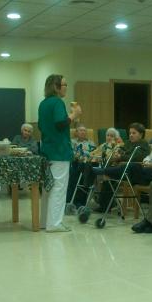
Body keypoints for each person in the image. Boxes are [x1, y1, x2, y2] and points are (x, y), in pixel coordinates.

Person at [38, 74, 81, 232]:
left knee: (48, 187)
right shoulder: (57, 102)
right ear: (56, 87)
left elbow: (42, 126)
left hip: (47, 150)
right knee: (58, 188)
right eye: (64, 85)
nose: (66, 88)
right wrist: (74, 115)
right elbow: (60, 123)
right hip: (59, 151)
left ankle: (45, 221)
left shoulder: (43, 103)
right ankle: (54, 223)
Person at [92, 123, 151, 211]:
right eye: (130, 133)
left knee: (110, 172)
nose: (131, 135)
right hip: (123, 169)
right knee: (109, 176)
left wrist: (121, 157)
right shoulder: (128, 143)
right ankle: (105, 205)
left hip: (135, 172)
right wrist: (118, 153)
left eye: (134, 133)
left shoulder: (143, 144)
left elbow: (136, 157)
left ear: (141, 134)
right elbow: (122, 151)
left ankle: (102, 171)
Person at [66, 124, 96, 206]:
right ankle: (75, 200)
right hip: (76, 163)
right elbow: (71, 154)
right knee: (76, 171)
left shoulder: (91, 143)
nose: (83, 132)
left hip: (89, 164)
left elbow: (95, 153)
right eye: (81, 130)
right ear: (76, 132)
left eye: (84, 130)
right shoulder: (72, 142)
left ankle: (82, 200)